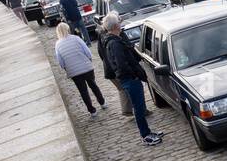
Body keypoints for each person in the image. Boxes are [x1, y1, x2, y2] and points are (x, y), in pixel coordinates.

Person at [102, 15, 162, 146]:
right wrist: (135, 74)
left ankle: (147, 131)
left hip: (130, 78)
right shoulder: (114, 43)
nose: (120, 24)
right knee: (139, 108)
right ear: (115, 26)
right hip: (129, 79)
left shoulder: (114, 39)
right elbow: (122, 64)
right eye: (118, 22)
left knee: (139, 106)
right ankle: (145, 135)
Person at [54, 22, 107, 117]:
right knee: (93, 85)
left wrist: (66, 68)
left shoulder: (57, 44)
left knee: (83, 91)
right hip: (86, 67)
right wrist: (89, 61)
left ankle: (92, 110)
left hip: (74, 72)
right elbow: (87, 51)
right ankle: (102, 102)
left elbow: (60, 61)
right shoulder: (76, 38)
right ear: (68, 29)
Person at [97, 16, 133, 117]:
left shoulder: (102, 34)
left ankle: (130, 109)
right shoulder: (116, 35)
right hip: (115, 67)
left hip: (109, 67)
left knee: (123, 88)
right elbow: (128, 47)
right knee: (126, 88)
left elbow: (100, 51)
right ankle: (130, 110)